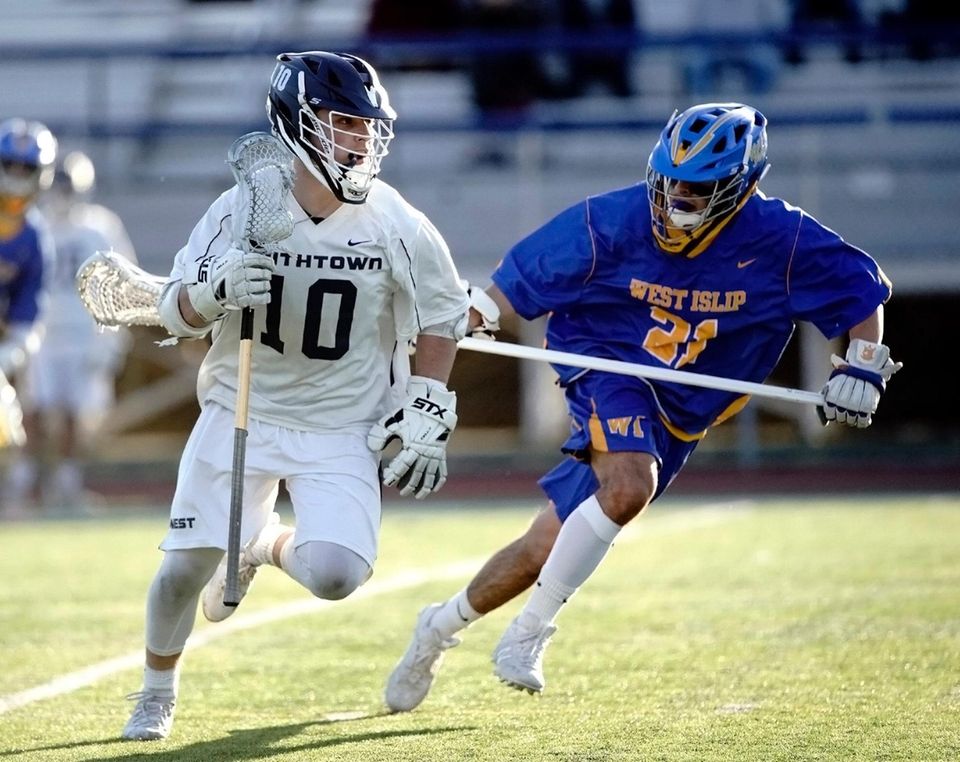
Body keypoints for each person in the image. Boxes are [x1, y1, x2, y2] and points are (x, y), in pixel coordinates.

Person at [384, 102, 900, 712]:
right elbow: (507, 293)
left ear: (744, 187)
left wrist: (862, 364)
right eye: (670, 179)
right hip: (605, 361)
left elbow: (860, 294)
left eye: (699, 188)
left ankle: (436, 629)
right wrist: (465, 322)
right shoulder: (612, 220)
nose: (677, 198)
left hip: (685, 406)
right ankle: (528, 636)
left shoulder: (783, 241)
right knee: (630, 485)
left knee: (543, 547)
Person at [121, 51, 469, 741]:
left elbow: (443, 311)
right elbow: (172, 310)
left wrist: (428, 397)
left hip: (344, 422)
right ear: (299, 125)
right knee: (184, 570)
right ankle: (156, 691)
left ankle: (259, 546)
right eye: (343, 123)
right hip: (241, 406)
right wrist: (214, 291)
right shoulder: (242, 208)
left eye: (368, 127)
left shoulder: (394, 219)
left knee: (338, 573)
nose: (360, 141)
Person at [12, 150, 137, 513]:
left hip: (83, 330)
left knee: (73, 412)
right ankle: (23, 484)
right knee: (32, 409)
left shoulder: (100, 226)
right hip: (41, 329)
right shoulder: (33, 224)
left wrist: (114, 335)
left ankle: (65, 485)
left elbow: (123, 282)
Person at [0, 118, 57, 520]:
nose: (17, 178)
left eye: (27, 169)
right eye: (11, 166)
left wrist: (4, 361)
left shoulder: (34, 239)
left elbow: (27, 319)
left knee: (9, 421)